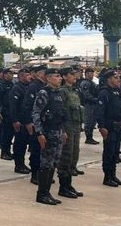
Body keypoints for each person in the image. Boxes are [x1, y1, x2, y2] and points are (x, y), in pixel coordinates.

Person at [32, 68, 67, 205]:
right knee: (46, 163)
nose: (60, 79)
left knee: (54, 163)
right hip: (47, 132)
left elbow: (60, 114)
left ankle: (47, 192)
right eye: (57, 76)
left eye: (60, 76)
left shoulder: (58, 93)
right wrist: (39, 133)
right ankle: (41, 194)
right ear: (48, 78)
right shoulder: (44, 92)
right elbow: (36, 113)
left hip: (57, 131)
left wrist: (63, 131)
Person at [95, 69, 121, 188]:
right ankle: (107, 176)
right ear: (109, 79)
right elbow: (100, 111)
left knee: (115, 152)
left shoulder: (117, 91)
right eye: (115, 78)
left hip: (118, 124)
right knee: (109, 152)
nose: (118, 80)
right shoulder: (104, 92)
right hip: (109, 125)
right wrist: (102, 126)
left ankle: (113, 175)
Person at [57, 67, 84, 199]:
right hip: (67, 126)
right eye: (72, 74)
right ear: (64, 76)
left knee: (74, 155)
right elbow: (60, 111)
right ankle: (63, 186)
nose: (75, 76)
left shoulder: (74, 90)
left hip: (76, 125)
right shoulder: (62, 91)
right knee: (66, 156)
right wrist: (62, 129)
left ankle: (69, 185)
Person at [20, 64, 48, 184]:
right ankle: (35, 174)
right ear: (39, 74)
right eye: (44, 73)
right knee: (36, 149)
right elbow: (27, 106)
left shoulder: (45, 87)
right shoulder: (33, 87)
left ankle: (43, 173)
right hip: (35, 123)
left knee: (44, 151)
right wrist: (28, 122)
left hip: (45, 123)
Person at [8, 68, 31, 174]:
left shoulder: (28, 87)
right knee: (19, 144)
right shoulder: (16, 88)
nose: (29, 76)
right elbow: (13, 106)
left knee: (25, 144)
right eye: (27, 75)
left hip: (27, 120)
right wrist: (15, 120)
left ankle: (22, 164)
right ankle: (18, 165)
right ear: (21, 77)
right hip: (20, 121)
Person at [0, 68, 13, 157]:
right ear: (4, 74)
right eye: (9, 73)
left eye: (12, 73)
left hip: (10, 111)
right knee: (5, 132)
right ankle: (4, 152)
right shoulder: (0, 85)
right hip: (3, 111)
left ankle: (8, 151)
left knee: (10, 134)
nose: (11, 75)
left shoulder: (12, 84)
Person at [79, 68, 99, 144]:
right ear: (86, 74)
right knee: (89, 121)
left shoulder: (92, 82)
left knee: (93, 121)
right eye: (90, 73)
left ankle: (90, 137)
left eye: (92, 73)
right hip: (88, 104)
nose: (91, 75)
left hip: (93, 104)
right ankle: (88, 138)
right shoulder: (85, 83)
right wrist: (95, 99)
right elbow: (86, 95)